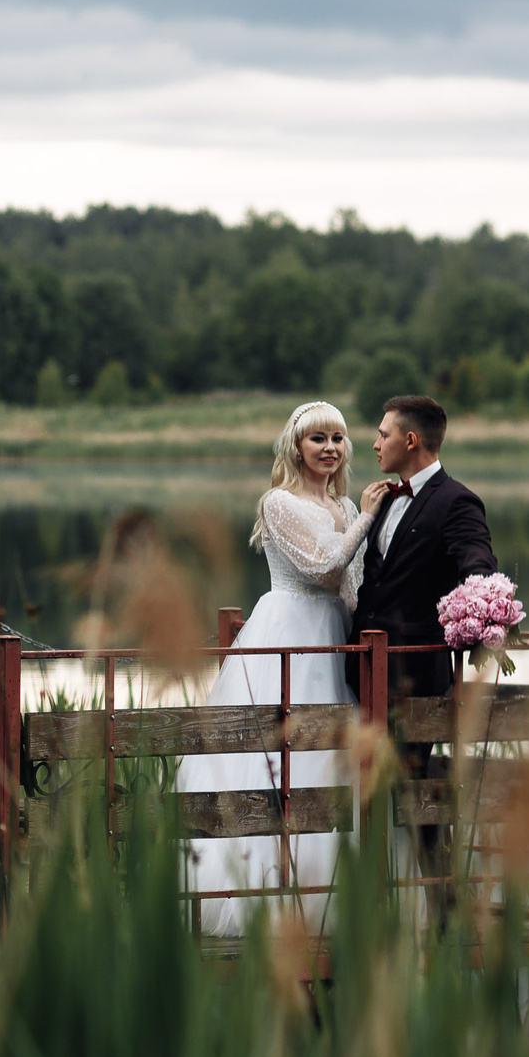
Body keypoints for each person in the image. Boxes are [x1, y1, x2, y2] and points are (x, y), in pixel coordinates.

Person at [178, 400, 378, 935]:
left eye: (338, 439)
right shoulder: (278, 502)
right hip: (289, 629)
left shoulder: (343, 508)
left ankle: (329, 889)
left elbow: (349, 583)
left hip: (334, 635)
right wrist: (368, 517)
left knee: (333, 755)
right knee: (279, 755)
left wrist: (361, 627)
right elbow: (321, 566)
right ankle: (264, 894)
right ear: (297, 447)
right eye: (318, 439)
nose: (330, 448)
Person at [349, 394, 498, 719]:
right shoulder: (384, 498)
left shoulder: (456, 502)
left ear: (411, 440)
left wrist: (473, 621)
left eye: (384, 435)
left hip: (414, 673)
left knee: (408, 770)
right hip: (359, 669)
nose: (376, 444)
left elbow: (479, 570)